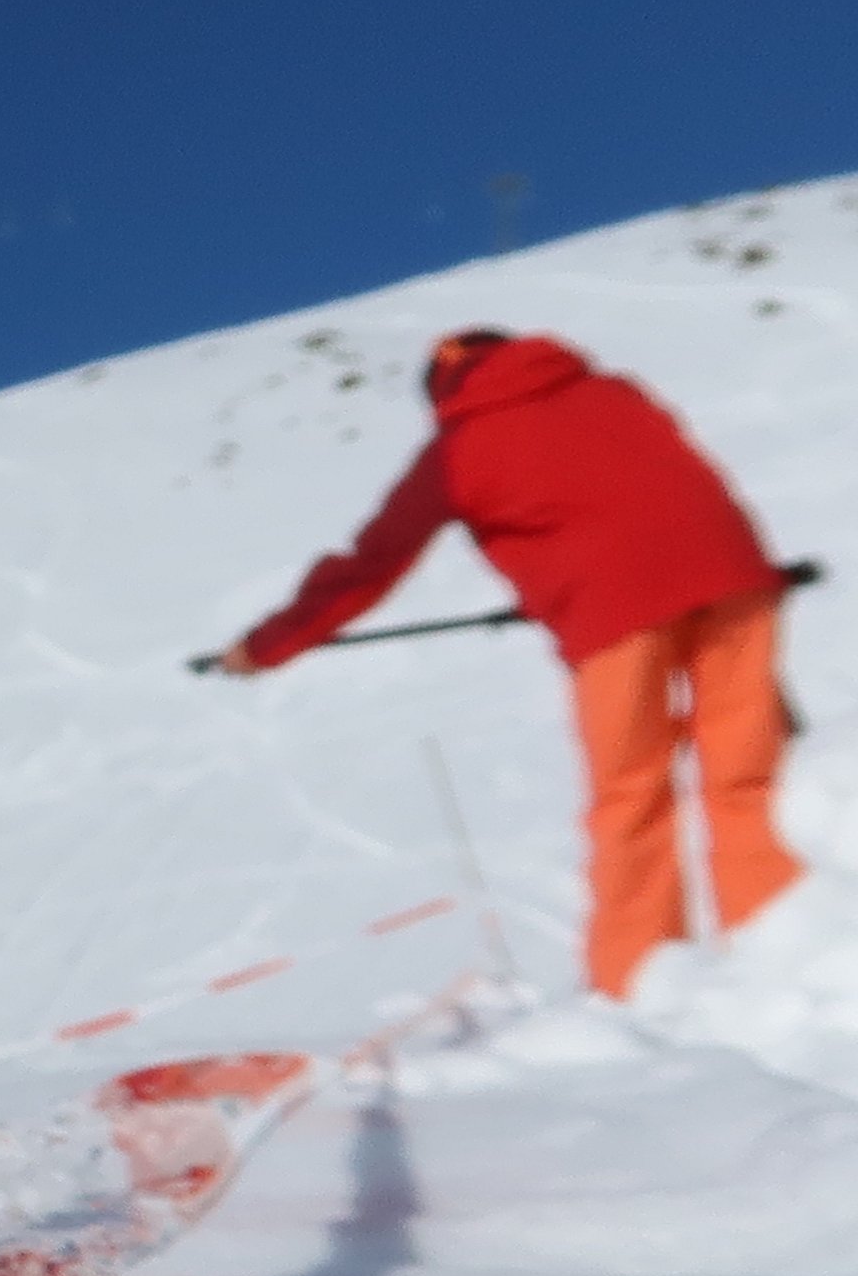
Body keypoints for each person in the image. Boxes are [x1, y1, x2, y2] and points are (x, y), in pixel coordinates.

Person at [213, 327, 804, 998]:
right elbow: (651, 492)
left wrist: (266, 646)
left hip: (614, 616)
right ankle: (784, 942)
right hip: (733, 576)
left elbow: (371, 564)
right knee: (747, 770)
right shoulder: (610, 390)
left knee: (633, 793)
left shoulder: (459, 447)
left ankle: (640, 980)